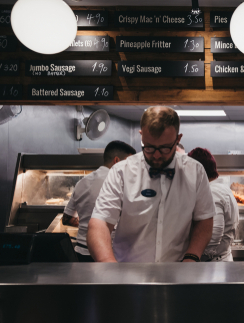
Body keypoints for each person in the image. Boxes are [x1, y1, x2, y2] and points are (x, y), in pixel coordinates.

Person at [87, 106, 215, 263]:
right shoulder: (121, 171)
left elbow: (204, 221)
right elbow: (100, 224)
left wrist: (191, 257)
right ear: (141, 135)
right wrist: (109, 267)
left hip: (179, 274)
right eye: (149, 147)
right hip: (128, 275)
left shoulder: (195, 171)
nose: (156, 155)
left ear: (178, 139)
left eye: (165, 148)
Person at [62, 140, 136, 262]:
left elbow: (66, 219)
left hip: (81, 252)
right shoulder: (120, 183)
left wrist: (87, 222)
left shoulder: (81, 182)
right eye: (129, 162)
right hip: (108, 252)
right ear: (117, 161)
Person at [188, 148, 239, 262]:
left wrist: (189, 257)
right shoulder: (221, 188)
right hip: (219, 262)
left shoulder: (212, 192)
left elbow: (211, 241)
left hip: (211, 266)